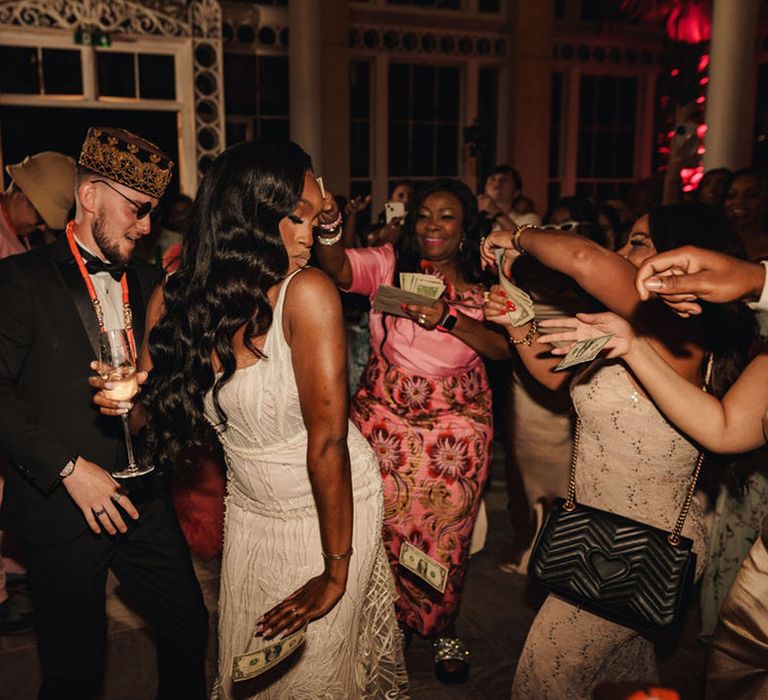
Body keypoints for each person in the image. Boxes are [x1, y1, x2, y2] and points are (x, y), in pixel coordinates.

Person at [139, 140, 408, 699]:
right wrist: (121, 399)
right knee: (249, 666)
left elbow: (328, 441)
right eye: (298, 219)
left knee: (315, 677)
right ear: (252, 219)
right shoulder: (175, 296)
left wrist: (336, 571)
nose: (310, 235)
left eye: (316, 219)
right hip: (250, 511)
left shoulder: (306, 292)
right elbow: (145, 405)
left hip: (328, 510)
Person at [480, 203, 754, 699]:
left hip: (642, 541)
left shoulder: (677, 326)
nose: (624, 254)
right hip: (593, 525)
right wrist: (514, 325)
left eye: (639, 242)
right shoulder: (628, 326)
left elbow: (584, 257)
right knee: (621, 676)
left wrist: (516, 235)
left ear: (684, 258)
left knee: (546, 674)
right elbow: (551, 378)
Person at [0, 126, 209, 699]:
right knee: (75, 670)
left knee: (188, 628)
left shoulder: (148, 281)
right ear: (89, 196)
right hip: (62, 504)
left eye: (152, 214)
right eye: (138, 211)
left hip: (143, 494)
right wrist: (69, 468)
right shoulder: (18, 280)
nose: (146, 227)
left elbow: (165, 376)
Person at [316, 178, 511, 681]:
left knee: (444, 535)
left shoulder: (487, 282)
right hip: (384, 421)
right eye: (424, 214)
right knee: (384, 530)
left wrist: (449, 317)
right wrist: (333, 226)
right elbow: (336, 270)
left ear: (466, 226)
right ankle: (392, 620)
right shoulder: (387, 265)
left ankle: (442, 625)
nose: (432, 224)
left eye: (446, 216)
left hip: (455, 429)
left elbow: (503, 349)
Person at [0, 150, 76, 635]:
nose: (39, 228)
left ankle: (12, 572)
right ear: (22, 195)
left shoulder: (15, 236)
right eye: (40, 215)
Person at [478, 164, 541, 230]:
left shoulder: (530, 219)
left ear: (516, 192)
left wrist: (496, 213)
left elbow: (522, 239)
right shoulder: (477, 217)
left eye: (504, 179)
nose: (498, 182)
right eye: (492, 179)